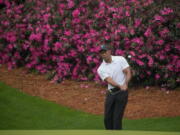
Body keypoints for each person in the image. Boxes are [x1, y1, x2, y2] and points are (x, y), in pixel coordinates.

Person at [97, 44, 132, 130]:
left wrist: (126, 83)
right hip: (111, 93)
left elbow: (128, 71)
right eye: (101, 53)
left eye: (104, 52)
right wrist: (120, 85)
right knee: (107, 118)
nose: (103, 54)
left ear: (109, 51)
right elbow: (109, 80)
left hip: (122, 93)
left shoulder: (120, 59)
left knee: (117, 119)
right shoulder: (101, 68)